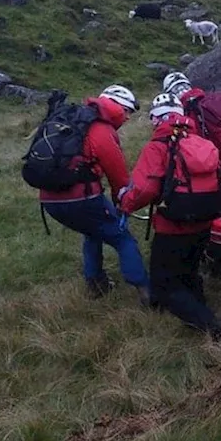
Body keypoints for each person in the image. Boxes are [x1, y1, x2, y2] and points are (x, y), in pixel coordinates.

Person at [118, 93, 221, 338]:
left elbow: (144, 189)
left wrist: (124, 204)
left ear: (157, 120)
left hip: (173, 225)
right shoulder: (200, 142)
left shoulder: (158, 147)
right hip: (205, 221)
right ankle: (200, 311)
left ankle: (208, 324)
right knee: (189, 271)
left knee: (164, 283)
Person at [39, 84, 150, 302]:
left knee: (92, 232)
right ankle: (146, 290)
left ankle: (96, 284)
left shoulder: (72, 120)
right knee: (123, 239)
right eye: (126, 111)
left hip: (49, 199)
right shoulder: (101, 130)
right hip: (82, 198)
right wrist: (124, 204)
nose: (127, 118)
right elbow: (119, 179)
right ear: (116, 106)